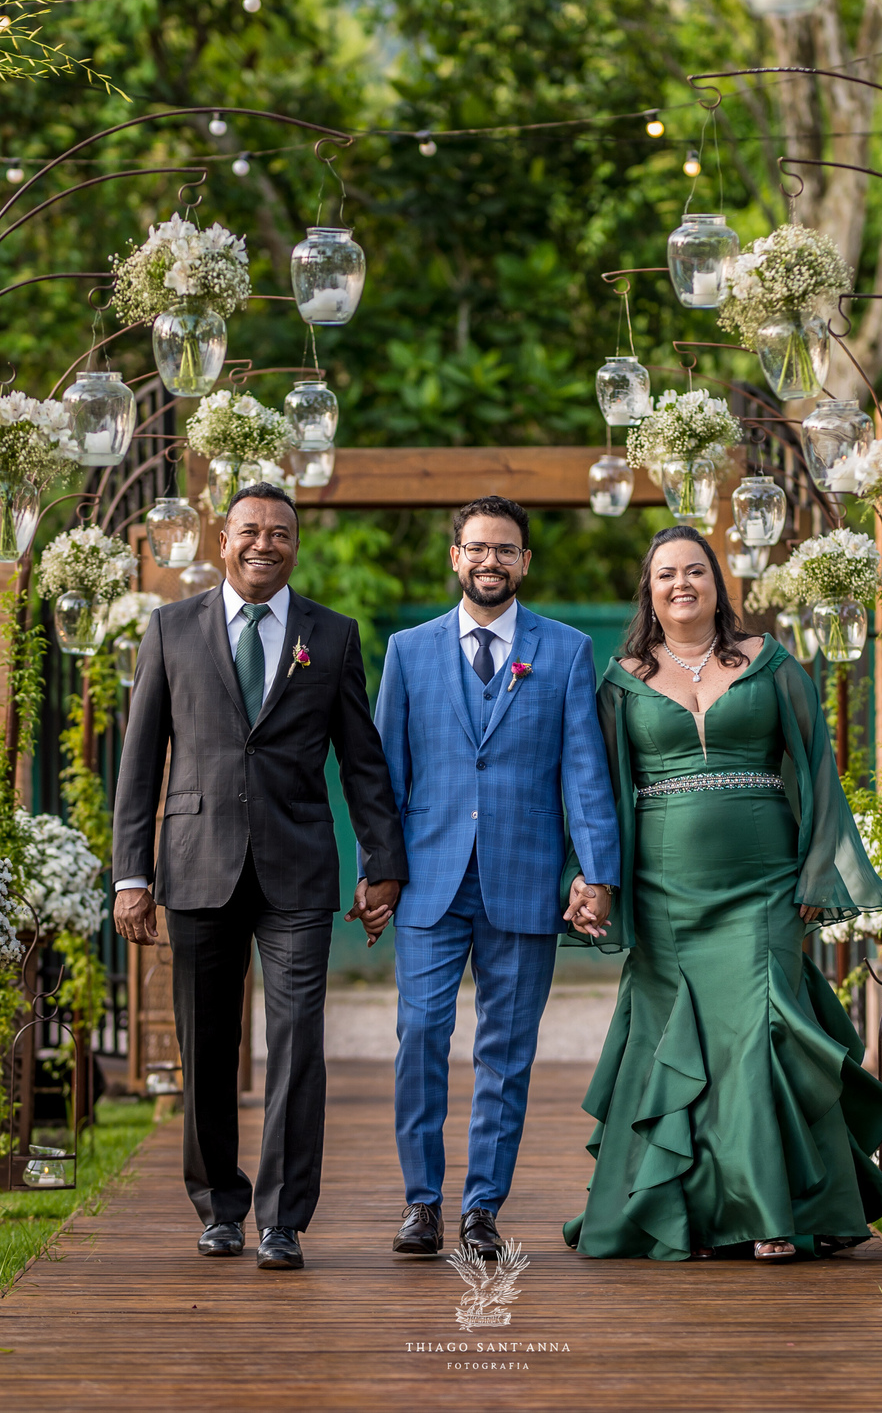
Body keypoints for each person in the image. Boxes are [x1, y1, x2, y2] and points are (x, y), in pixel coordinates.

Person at [562, 524, 882, 1263]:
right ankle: (683, 1214)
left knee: (761, 1032)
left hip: (763, 881)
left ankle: (770, 1213)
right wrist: (591, 875)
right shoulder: (619, 681)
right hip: (664, 891)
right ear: (649, 593)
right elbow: (594, 790)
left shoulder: (771, 663)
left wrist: (818, 869)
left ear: (718, 584)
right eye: (665, 574)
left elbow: (817, 767)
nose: (680, 584)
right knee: (679, 1044)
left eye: (694, 571)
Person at [112, 482, 407, 1270]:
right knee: (207, 1043)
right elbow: (139, 762)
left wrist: (383, 863)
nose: (264, 543)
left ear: (295, 546)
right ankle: (219, 1204)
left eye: (280, 532)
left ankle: (282, 1218)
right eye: (250, 530)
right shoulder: (170, 629)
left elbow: (362, 762)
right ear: (223, 540)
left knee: (298, 1040)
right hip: (196, 864)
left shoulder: (331, 636)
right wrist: (130, 874)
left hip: (298, 869)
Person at [354, 495, 620, 1261]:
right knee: (420, 1036)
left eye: (505, 549)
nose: (490, 560)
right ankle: (421, 1201)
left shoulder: (565, 651)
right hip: (429, 882)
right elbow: (384, 776)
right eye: (477, 547)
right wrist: (379, 871)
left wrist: (596, 871)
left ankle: (481, 1207)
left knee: (507, 1050)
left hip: (524, 879)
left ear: (525, 562)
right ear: (455, 557)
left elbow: (584, 773)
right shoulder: (408, 650)